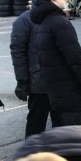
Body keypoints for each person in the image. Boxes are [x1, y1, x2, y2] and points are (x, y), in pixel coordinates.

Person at [30, 0, 81, 127]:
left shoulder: (41, 23)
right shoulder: (58, 22)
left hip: (55, 93)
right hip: (69, 93)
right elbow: (75, 59)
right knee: (76, 140)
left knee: (63, 137)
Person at [10, 9, 59, 137]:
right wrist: (22, 81)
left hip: (59, 83)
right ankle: (32, 155)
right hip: (39, 86)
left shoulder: (56, 16)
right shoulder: (24, 20)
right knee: (36, 127)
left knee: (62, 127)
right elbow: (18, 52)